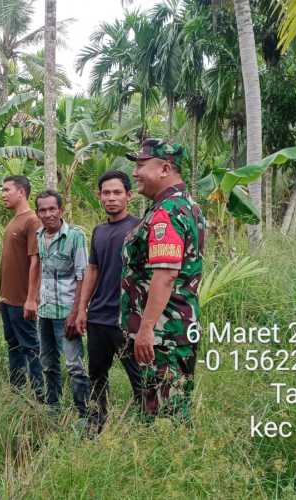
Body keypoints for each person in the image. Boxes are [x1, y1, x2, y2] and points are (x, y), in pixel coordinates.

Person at [119, 139, 205, 421]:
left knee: (167, 416)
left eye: (142, 165)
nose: (135, 172)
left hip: (164, 333)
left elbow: (165, 274)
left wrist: (146, 329)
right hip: (172, 329)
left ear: (165, 168)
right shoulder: (184, 205)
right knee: (166, 408)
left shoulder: (166, 213)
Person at [74, 171, 143, 430]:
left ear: (129, 195)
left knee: (139, 380)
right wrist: (82, 308)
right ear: (99, 196)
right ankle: (96, 427)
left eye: (117, 193)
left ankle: (144, 429)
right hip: (98, 318)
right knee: (97, 377)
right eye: (106, 193)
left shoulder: (139, 228)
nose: (111, 198)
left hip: (126, 320)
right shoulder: (99, 231)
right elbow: (93, 269)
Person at [33, 190, 90, 418]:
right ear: (38, 213)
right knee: (48, 364)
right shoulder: (39, 236)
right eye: (43, 210)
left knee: (74, 366)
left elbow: (82, 276)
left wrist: (76, 313)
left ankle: (84, 413)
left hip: (67, 312)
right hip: (45, 312)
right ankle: (53, 409)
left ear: (61, 210)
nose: (48, 214)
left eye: (52, 209)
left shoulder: (75, 236)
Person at [0, 175, 44, 401]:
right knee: (13, 346)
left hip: (22, 300)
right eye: (2, 190)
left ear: (21, 192)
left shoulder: (32, 221)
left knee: (31, 347)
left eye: (7, 190)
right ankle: (16, 393)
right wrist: (2, 296)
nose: (3, 194)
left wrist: (31, 298)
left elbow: (36, 261)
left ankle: (40, 395)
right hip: (8, 300)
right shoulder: (14, 220)